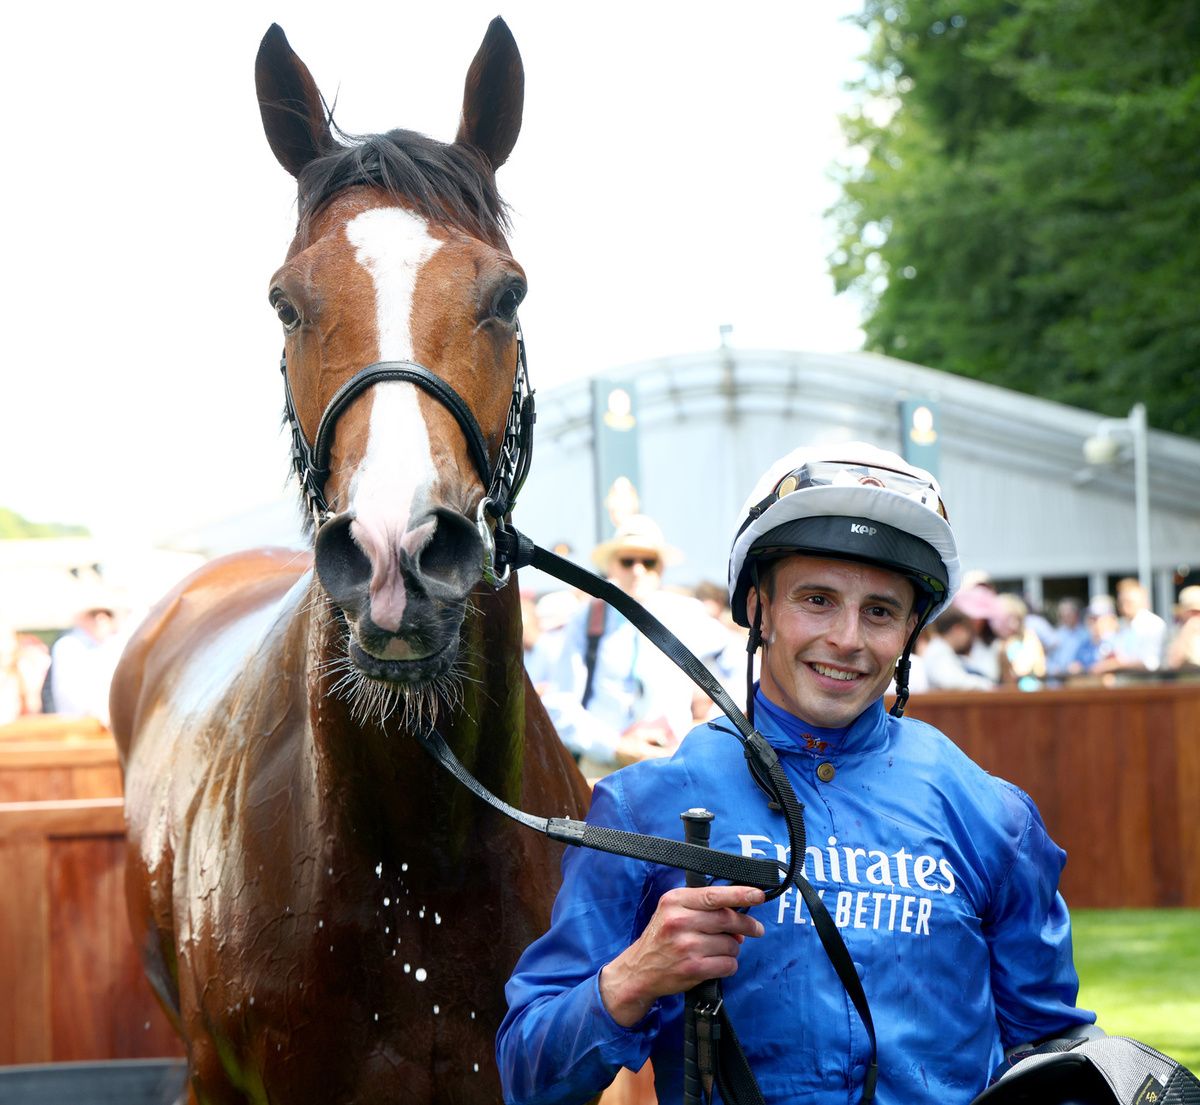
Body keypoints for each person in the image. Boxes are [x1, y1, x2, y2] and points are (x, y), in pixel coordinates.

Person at [498, 443, 1096, 1104]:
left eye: (880, 610)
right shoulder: (644, 805)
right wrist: (633, 976)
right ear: (758, 608)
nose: (847, 638)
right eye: (817, 599)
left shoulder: (992, 815)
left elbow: (1055, 1062)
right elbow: (526, 1076)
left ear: (908, 631)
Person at [537, 515, 731, 777]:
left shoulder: (687, 614)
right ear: (612, 566)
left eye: (648, 562)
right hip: (604, 770)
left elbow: (742, 671)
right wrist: (616, 746)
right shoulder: (587, 618)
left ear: (660, 568)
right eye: (628, 561)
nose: (637, 570)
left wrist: (702, 728)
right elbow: (560, 703)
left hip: (673, 765)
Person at [47, 596, 126, 726]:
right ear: (82, 619)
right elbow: (69, 693)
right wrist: (101, 712)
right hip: (79, 727)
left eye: (107, 614)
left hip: (113, 725)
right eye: (94, 614)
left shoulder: (116, 647)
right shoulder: (68, 646)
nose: (100, 619)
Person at [1092, 578, 1166, 674]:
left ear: (1143, 601)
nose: (1124, 606)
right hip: (1121, 683)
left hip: (1146, 683)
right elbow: (1105, 653)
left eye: (1129, 601)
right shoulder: (1119, 625)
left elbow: (1150, 663)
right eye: (1121, 602)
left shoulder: (1154, 624)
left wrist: (1116, 664)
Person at [921, 606, 995, 691]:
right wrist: (986, 685)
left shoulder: (940, 648)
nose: (968, 638)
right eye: (967, 631)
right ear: (958, 629)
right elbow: (949, 681)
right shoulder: (938, 650)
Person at [1044, 598, 1091, 684]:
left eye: (1068, 614)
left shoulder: (1087, 634)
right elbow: (1048, 659)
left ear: (1076, 614)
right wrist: (1054, 669)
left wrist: (1081, 667)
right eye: (1063, 615)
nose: (1066, 617)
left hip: (1080, 681)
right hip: (1058, 682)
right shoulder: (1055, 635)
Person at [1164, 585, 1200, 672]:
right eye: (1190, 611)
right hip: (1184, 682)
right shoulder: (1174, 631)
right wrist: (1187, 632)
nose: (1194, 616)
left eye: (1197, 612)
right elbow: (1172, 662)